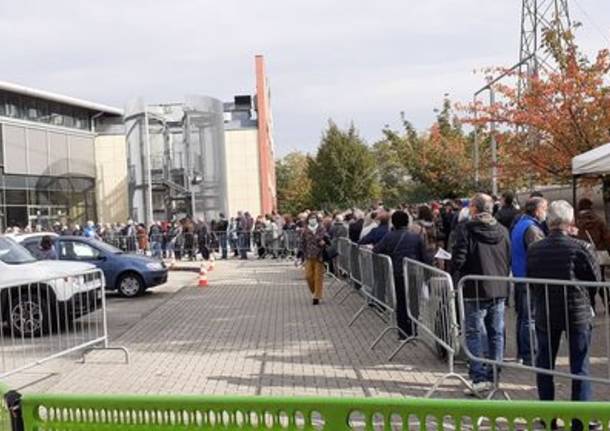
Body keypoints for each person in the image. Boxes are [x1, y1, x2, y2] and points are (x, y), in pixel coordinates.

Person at [527, 200, 600, 416]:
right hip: (577, 312)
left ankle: (548, 416)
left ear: (549, 222)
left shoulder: (534, 249)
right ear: (570, 221)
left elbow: (531, 278)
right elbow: (594, 280)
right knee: (580, 366)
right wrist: (590, 301)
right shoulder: (582, 247)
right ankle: (580, 418)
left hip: (546, 310)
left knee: (545, 365)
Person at [451, 193, 511, 395]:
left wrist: (455, 275)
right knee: (496, 333)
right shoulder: (503, 230)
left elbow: (459, 258)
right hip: (498, 287)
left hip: (474, 287)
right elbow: (508, 257)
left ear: (474, 209)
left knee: (475, 332)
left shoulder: (466, 229)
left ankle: (478, 377)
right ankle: (494, 375)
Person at [373, 210, 429, 337]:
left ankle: (403, 332)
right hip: (414, 273)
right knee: (414, 302)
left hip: (397, 273)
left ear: (393, 222)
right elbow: (424, 257)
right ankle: (414, 329)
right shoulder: (415, 237)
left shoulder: (389, 236)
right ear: (407, 222)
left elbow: (376, 250)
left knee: (401, 302)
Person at [510, 196, 547, 365]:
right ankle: (530, 355)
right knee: (530, 318)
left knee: (523, 318)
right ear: (537, 210)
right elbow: (539, 256)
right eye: (544, 209)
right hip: (528, 278)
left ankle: (523, 353)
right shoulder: (532, 229)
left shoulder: (520, 224)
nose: (546, 212)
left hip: (520, 276)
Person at [575, 197, 610, 310]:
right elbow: (607, 238)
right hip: (598, 254)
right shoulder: (599, 220)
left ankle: (591, 306)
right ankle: (608, 303)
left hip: (582, 255)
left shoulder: (576, 221)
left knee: (586, 279)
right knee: (601, 280)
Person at [300, 214, 329, 305]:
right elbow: (302, 243)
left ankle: (317, 296)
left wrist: (323, 242)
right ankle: (314, 291)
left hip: (319, 256)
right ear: (308, 220)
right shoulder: (304, 230)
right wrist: (299, 256)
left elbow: (327, 239)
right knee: (308, 276)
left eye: (314, 218)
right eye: (311, 218)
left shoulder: (321, 229)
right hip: (308, 256)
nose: (312, 220)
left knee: (318, 277)